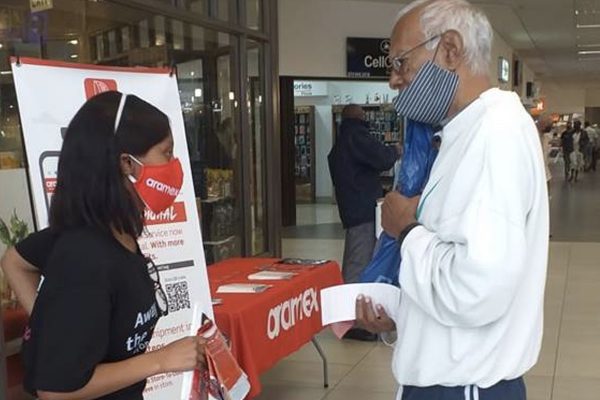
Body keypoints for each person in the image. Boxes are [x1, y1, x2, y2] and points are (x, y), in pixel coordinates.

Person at [354, 1, 549, 399]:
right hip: (450, 381)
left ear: (450, 50)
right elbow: (455, 260)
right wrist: (398, 314)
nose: (394, 80)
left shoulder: (495, 135)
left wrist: (405, 230)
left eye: (401, 63)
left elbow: (477, 289)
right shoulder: (464, 134)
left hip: (464, 387)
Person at [0, 92, 205, 400]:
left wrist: (52, 326)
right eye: (166, 152)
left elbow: (14, 260)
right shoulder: (85, 258)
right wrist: (161, 360)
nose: (174, 166)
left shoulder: (108, 230)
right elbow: (56, 390)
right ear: (126, 163)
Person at [328, 104, 399, 341]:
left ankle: (353, 317)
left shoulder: (341, 140)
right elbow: (382, 158)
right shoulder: (357, 137)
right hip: (362, 208)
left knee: (356, 257)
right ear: (359, 117)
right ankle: (354, 321)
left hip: (351, 206)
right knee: (359, 260)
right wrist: (395, 151)